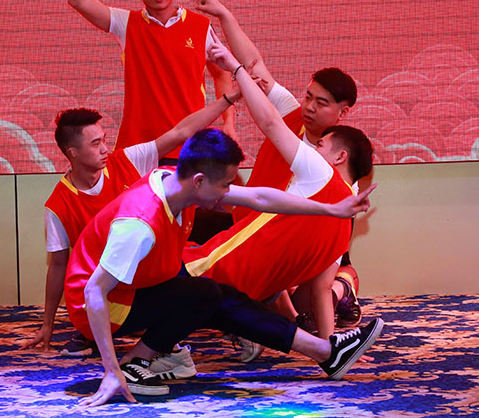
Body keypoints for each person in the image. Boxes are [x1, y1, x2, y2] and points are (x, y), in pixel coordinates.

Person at [64, 128, 383, 406]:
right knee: (205, 294)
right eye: (225, 185)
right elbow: (93, 291)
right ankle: (133, 363)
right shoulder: (139, 224)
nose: (228, 193)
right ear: (200, 181)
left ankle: (325, 352)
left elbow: (260, 198)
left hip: (136, 283)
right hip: (99, 303)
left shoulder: (177, 181)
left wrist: (331, 209)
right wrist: (111, 371)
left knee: (215, 295)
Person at [188, 0, 366, 333]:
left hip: (292, 253)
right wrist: (225, 16)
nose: (310, 107)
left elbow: (313, 251)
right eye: (309, 97)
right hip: (253, 232)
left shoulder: (340, 171)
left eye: (322, 103)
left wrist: (322, 334)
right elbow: (255, 65)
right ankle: (275, 315)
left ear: (342, 112)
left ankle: (337, 297)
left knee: (337, 277)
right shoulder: (291, 112)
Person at [22, 90, 238, 357]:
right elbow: (58, 266)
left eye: (104, 140)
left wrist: (228, 100)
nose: (105, 149)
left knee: (204, 276)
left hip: (148, 276)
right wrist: (48, 325)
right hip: (107, 290)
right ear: (72, 153)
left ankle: (229, 327)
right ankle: (106, 335)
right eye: (95, 144)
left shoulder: (126, 161)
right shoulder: (58, 205)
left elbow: (181, 132)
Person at [68, 0, 234, 160]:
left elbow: (222, 75)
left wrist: (228, 122)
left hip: (188, 150)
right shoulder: (126, 23)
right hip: (138, 149)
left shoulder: (201, 26)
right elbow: (78, 0)